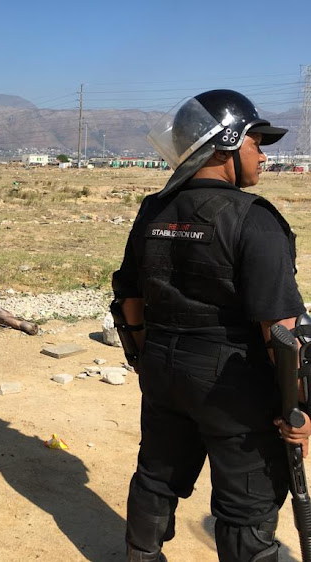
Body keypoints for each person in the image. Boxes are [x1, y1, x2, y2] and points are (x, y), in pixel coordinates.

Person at [112, 89, 311, 561]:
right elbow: (281, 329)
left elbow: (129, 298)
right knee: (246, 508)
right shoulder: (254, 220)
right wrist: (300, 405)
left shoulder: (153, 210)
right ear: (226, 144)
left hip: (163, 366)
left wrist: (145, 362)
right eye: (256, 143)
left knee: (157, 477)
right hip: (234, 384)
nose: (263, 157)